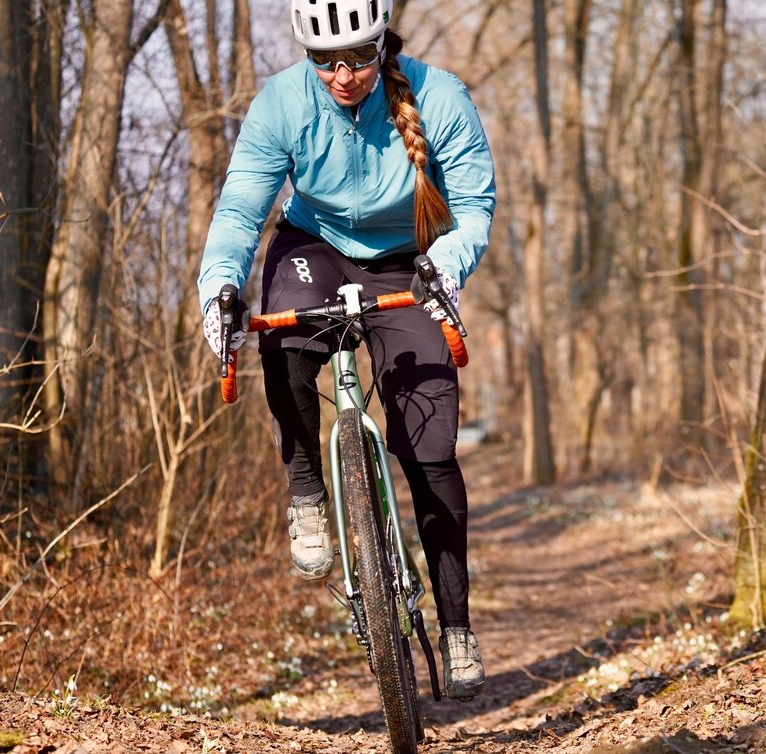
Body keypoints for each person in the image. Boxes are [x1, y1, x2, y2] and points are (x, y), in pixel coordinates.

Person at [196, 0, 495, 702]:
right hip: (314, 249)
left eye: (358, 57)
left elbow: (474, 202)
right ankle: (306, 487)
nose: (342, 75)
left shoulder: (440, 97)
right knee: (287, 343)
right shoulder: (280, 103)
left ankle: (457, 629)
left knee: (430, 451)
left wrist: (448, 262)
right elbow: (241, 207)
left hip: (407, 261)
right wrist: (219, 287)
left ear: (381, 44)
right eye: (323, 61)